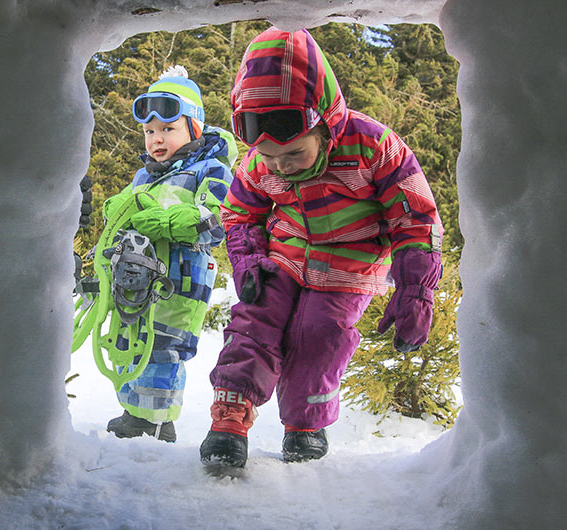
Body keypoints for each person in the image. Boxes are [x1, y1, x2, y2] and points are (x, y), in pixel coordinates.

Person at [199, 28, 443, 467]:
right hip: (283, 257)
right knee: (255, 321)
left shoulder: (375, 146)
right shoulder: (260, 160)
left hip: (351, 266)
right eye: (270, 157)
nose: (280, 166)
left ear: (325, 124)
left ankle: (305, 424)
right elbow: (238, 213)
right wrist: (249, 258)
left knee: (320, 337)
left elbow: (416, 217)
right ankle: (230, 416)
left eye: (293, 155)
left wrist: (415, 289)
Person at [103, 66, 236, 442]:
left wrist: (172, 221)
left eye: (168, 129)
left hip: (183, 278)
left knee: (165, 345)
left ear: (194, 128)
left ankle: (156, 421)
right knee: (132, 338)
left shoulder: (211, 169)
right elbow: (127, 212)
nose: (156, 139)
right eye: (149, 132)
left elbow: (219, 218)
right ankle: (135, 411)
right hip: (140, 275)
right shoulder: (145, 175)